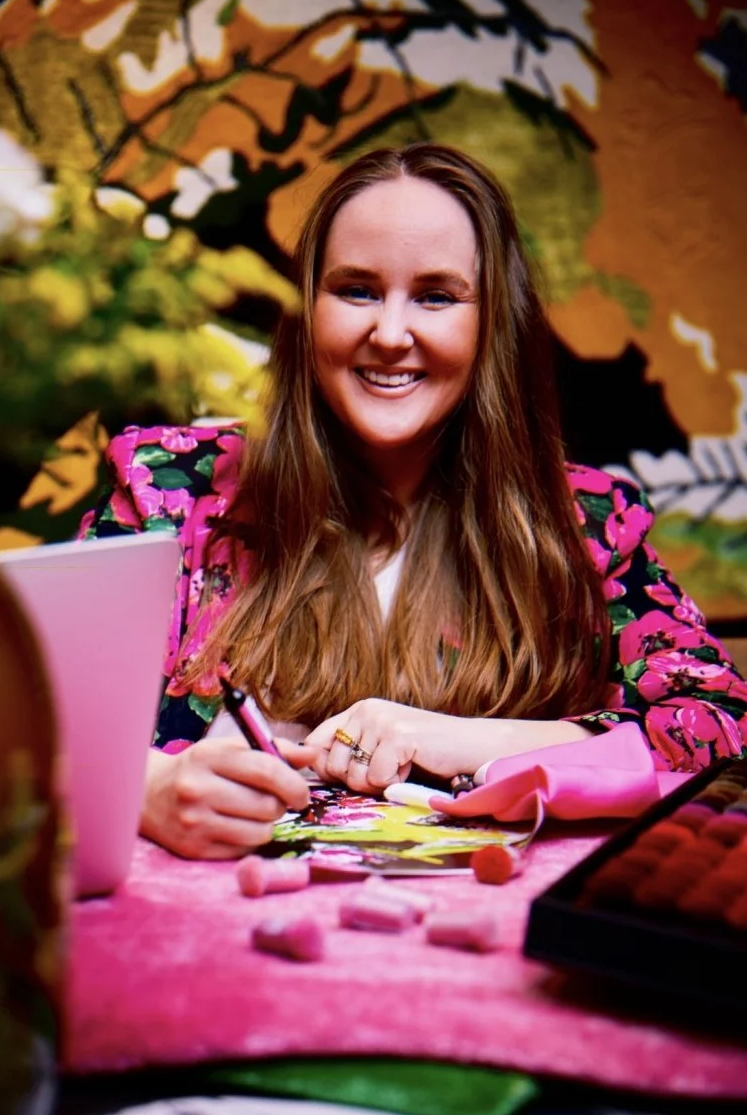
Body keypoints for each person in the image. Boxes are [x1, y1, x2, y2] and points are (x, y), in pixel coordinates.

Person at [79, 143, 747, 860]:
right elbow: (24, 708)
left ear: (493, 322)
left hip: (475, 951)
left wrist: (450, 733)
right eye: (356, 290)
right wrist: (144, 787)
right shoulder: (169, 492)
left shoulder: (583, 525)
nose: (390, 334)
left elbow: (716, 725)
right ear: (305, 308)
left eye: (435, 295)